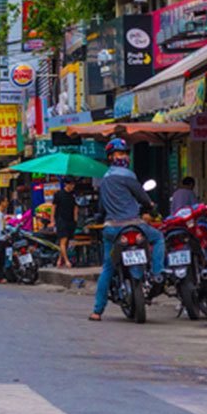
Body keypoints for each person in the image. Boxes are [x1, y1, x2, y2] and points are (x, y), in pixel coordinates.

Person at [90, 138, 166, 321]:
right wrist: (151, 207)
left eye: (124, 153)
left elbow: (101, 208)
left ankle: (97, 311)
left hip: (112, 229)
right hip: (134, 225)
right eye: (119, 153)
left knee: (108, 267)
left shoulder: (104, 180)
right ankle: (157, 273)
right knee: (158, 239)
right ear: (111, 157)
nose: (123, 156)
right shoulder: (128, 176)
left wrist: (99, 217)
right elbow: (143, 197)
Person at [53, 178, 78, 268]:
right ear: (66, 184)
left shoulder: (73, 195)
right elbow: (54, 208)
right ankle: (67, 261)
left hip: (70, 220)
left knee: (66, 242)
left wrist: (75, 219)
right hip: (61, 220)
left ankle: (59, 260)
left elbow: (75, 207)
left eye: (73, 184)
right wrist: (52, 220)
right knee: (63, 241)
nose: (72, 186)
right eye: (71, 184)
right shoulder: (58, 194)